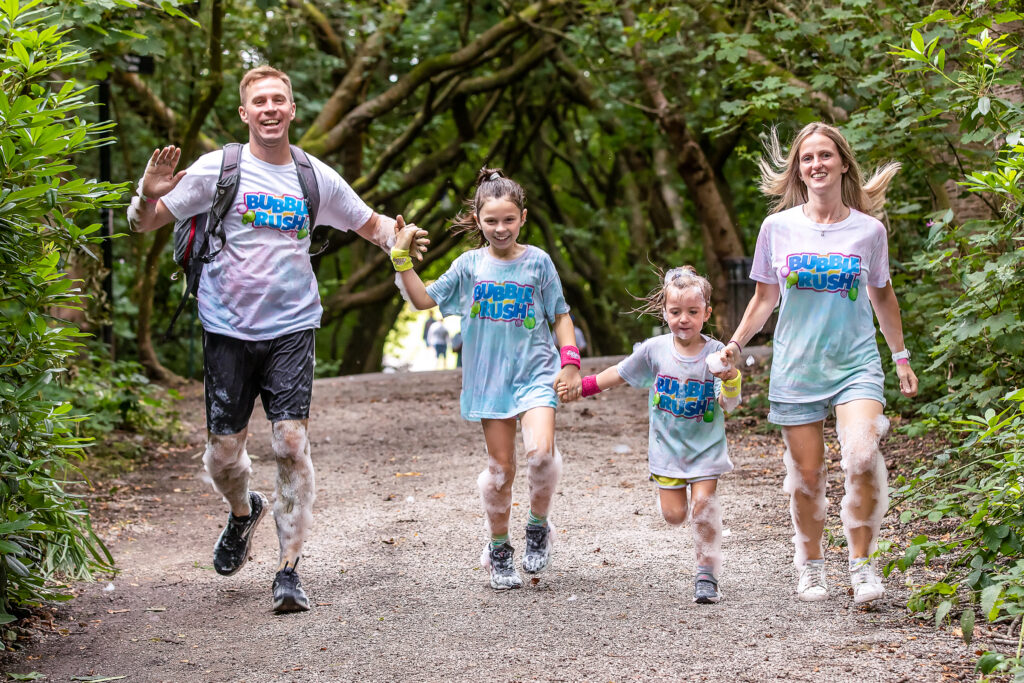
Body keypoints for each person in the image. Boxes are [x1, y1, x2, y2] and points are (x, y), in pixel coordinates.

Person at [126, 65, 427, 613]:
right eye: (259, 101)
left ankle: (289, 570)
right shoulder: (218, 170)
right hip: (226, 329)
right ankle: (244, 511)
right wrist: (146, 194)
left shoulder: (315, 177)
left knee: (289, 443)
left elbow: (370, 224)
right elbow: (143, 223)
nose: (269, 108)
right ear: (245, 113)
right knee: (223, 455)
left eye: (278, 100)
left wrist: (397, 237)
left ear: (292, 110)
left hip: (292, 327)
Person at [716, 122, 918, 605]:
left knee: (862, 455)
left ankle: (862, 564)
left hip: (856, 364)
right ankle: (809, 564)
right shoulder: (778, 228)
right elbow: (764, 298)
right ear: (798, 170)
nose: (817, 164)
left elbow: (883, 296)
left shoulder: (868, 231)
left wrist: (901, 357)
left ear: (843, 163)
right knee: (806, 478)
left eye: (826, 155)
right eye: (807, 158)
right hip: (797, 367)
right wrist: (736, 344)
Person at [390, 167, 582, 590]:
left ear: (523, 218)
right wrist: (400, 259)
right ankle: (498, 549)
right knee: (500, 472)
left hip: (535, 374)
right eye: (491, 220)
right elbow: (422, 299)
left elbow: (561, 314)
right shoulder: (468, 266)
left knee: (542, 456)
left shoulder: (539, 262)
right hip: (489, 382)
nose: (500, 228)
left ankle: (537, 527)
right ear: (478, 220)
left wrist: (570, 361)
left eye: (508, 220)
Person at [558, 266, 742, 604]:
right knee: (675, 515)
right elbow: (620, 373)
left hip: (706, 449)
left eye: (692, 312)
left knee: (703, 508)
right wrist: (582, 387)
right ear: (664, 312)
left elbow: (728, 404)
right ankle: (696, 544)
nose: (683, 319)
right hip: (667, 452)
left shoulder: (717, 353)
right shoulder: (654, 350)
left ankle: (706, 574)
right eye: (675, 312)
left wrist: (731, 377)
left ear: (707, 314)